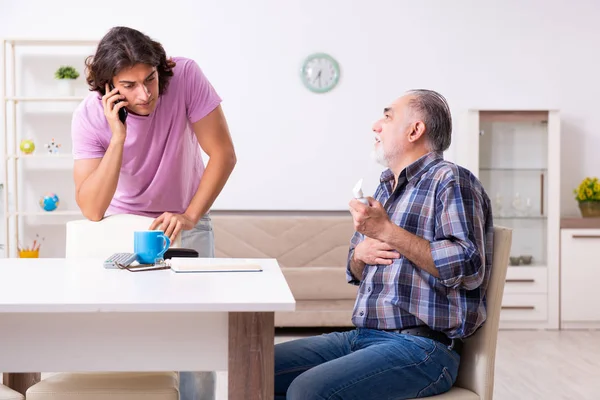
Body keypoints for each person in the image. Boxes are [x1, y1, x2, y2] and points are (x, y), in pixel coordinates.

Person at [274, 89, 494, 399]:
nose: (376, 125)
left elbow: (469, 265)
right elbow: (354, 269)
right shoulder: (385, 186)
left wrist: (389, 232)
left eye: (388, 117)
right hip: (362, 337)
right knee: (256, 368)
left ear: (415, 131)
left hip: (422, 348)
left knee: (307, 390)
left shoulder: (451, 180)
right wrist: (360, 254)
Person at [71, 26, 236, 400]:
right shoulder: (88, 117)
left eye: (150, 79)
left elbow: (223, 154)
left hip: (185, 219)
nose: (145, 95)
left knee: (198, 340)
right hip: (120, 227)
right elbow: (92, 209)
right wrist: (118, 136)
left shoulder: (186, 75)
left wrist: (190, 216)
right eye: (128, 85)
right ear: (107, 87)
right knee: (127, 336)